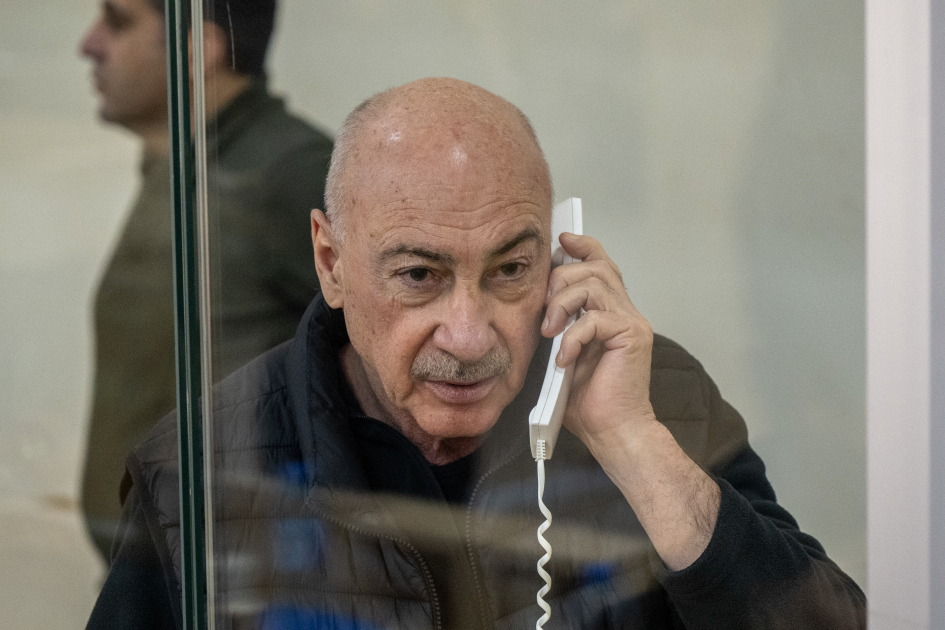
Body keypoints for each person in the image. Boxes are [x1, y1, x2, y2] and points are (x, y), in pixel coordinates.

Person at [86, 78, 865, 629]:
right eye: (418, 276)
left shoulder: (652, 397)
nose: (468, 334)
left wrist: (634, 445)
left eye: (510, 270)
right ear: (330, 262)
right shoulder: (202, 464)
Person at [78, 0, 334, 561]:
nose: (89, 44)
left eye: (118, 22)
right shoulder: (186, 165)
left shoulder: (284, 172)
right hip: (156, 578)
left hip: (235, 587)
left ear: (199, 48)